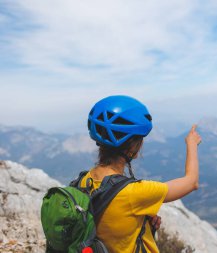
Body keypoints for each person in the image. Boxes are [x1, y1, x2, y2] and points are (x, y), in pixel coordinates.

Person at [81, 95, 201, 253]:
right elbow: (192, 182)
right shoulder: (135, 193)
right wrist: (191, 143)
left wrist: (141, 225)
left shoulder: (84, 181)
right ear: (132, 148)